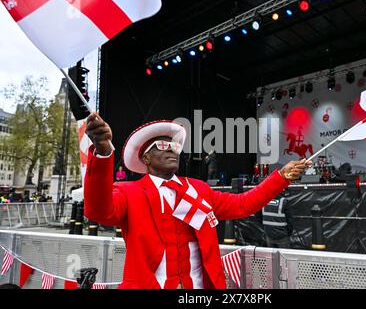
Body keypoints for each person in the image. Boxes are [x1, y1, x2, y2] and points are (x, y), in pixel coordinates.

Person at [84, 112, 311, 289]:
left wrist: (280, 177)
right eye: (162, 146)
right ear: (146, 157)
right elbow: (98, 211)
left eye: (174, 146)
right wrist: (103, 152)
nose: (172, 150)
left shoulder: (198, 189)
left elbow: (243, 205)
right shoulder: (128, 192)